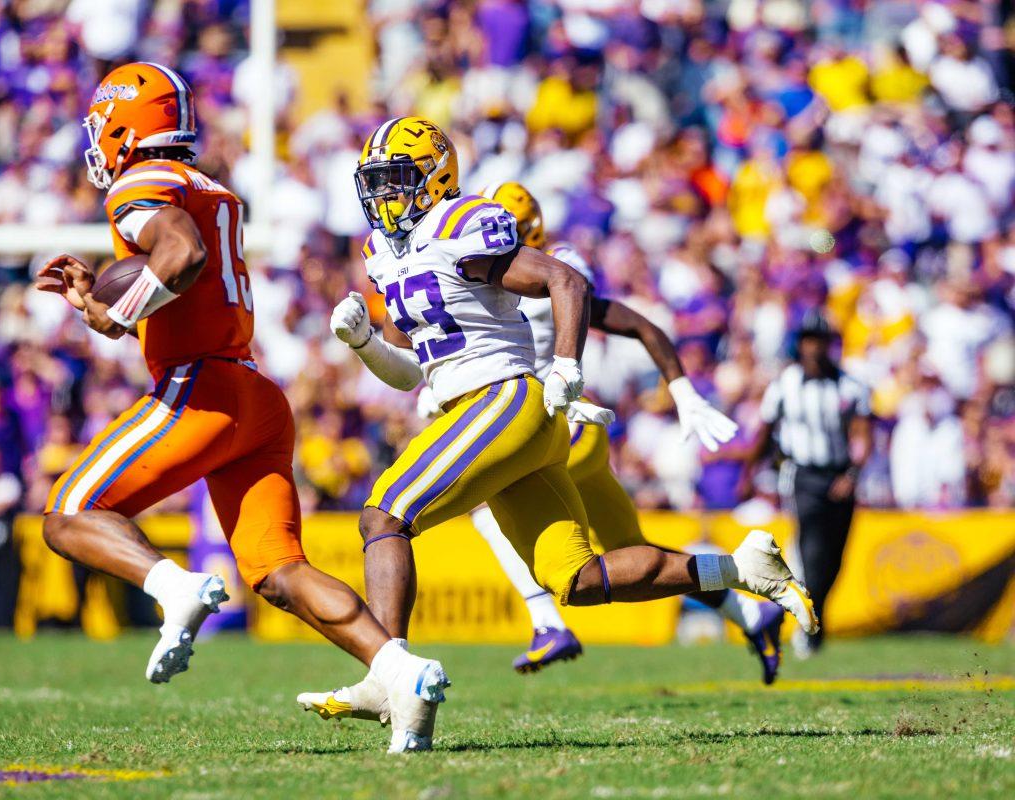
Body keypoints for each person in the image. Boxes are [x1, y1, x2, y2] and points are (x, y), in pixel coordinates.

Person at [299, 118, 818, 750]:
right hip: (490, 408)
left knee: (385, 515)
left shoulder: (459, 222)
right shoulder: (390, 253)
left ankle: (391, 673)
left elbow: (565, 281)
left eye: (398, 180)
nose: (385, 196)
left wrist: (568, 365)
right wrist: (363, 345)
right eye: (376, 183)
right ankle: (740, 569)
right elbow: (416, 372)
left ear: (436, 176)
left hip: (504, 400)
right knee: (580, 578)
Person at [34, 64, 444, 750]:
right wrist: (101, 308)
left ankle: (173, 589)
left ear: (124, 125)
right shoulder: (210, 188)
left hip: (201, 391)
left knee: (68, 517)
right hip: (251, 394)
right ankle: (401, 671)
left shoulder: (142, 183)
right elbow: (178, 286)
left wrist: (117, 304)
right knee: (280, 573)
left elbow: (181, 255)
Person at [455, 181, 785, 682]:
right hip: (552, 430)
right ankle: (751, 612)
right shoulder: (475, 275)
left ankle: (547, 624)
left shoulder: (555, 271)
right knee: (632, 552)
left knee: (489, 498)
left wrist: (683, 391)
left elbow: (638, 324)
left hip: (564, 423)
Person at [740, 311, 872, 657]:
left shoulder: (850, 386)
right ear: (800, 345)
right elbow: (765, 432)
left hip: (840, 475)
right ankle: (806, 625)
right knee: (810, 551)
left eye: (820, 340)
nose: (814, 348)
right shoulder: (784, 384)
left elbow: (862, 436)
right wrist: (748, 472)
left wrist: (852, 475)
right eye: (808, 340)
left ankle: (816, 613)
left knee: (833, 559)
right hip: (802, 475)